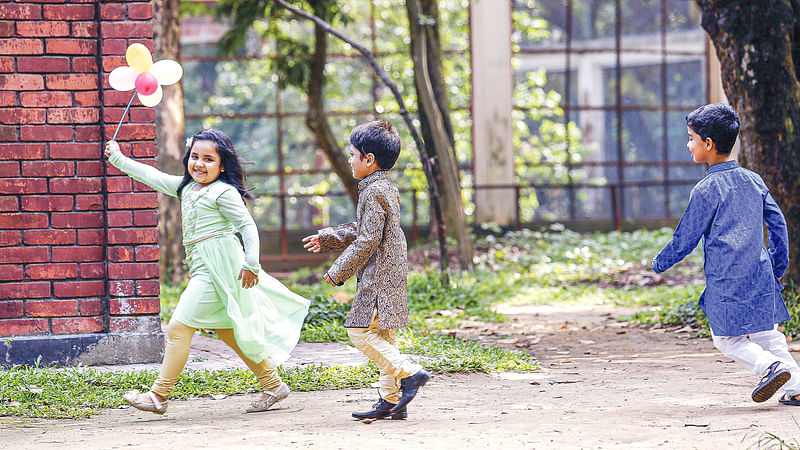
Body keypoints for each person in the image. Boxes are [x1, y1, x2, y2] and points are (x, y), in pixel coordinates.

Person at [105, 129, 310, 415]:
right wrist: (118, 158)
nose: (199, 164)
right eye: (195, 157)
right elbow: (152, 176)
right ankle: (273, 385)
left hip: (221, 268)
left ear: (222, 164)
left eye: (208, 159)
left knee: (178, 326)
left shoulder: (223, 192)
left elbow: (247, 226)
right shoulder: (187, 189)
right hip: (203, 267)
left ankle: (158, 395)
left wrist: (251, 264)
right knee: (229, 332)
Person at [652, 103, 800, 406]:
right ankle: (796, 387)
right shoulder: (754, 179)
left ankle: (770, 368)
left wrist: (660, 263)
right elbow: (777, 223)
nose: (688, 144)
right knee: (768, 336)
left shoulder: (706, 189)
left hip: (726, 278)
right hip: (761, 272)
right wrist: (778, 263)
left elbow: (685, 238)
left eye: (691, 138)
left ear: (708, 144)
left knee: (725, 338)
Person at [302, 120, 430, 420]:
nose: (349, 159)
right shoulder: (383, 187)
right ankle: (392, 400)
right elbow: (367, 229)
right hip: (391, 271)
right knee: (384, 337)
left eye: (353, 154)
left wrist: (338, 271)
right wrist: (329, 237)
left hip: (379, 276)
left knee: (359, 332)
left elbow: (369, 239)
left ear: (368, 159)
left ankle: (410, 373)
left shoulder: (374, 192)